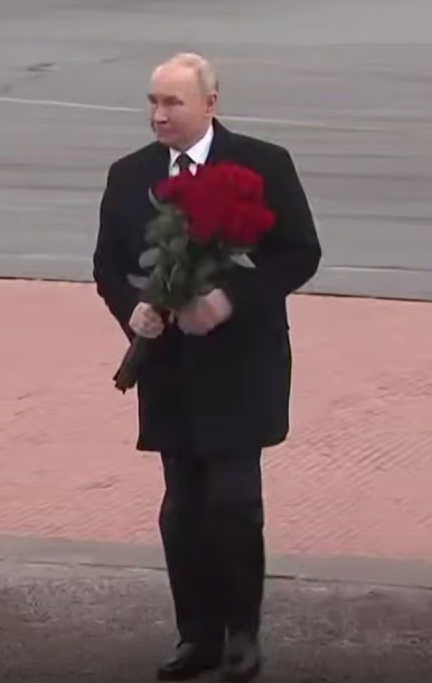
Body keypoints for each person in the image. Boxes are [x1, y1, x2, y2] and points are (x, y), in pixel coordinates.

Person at [91, 52, 321, 682]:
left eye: (172, 103)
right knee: (182, 507)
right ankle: (197, 636)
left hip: (242, 366)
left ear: (211, 104)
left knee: (234, 501)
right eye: (153, 103)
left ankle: (242, 634)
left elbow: (300, 254)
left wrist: (228, 299)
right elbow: (108, 265)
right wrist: (133, 311)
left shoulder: (263, 164)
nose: (158, 116)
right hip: (169, 371)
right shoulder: (128, 175)